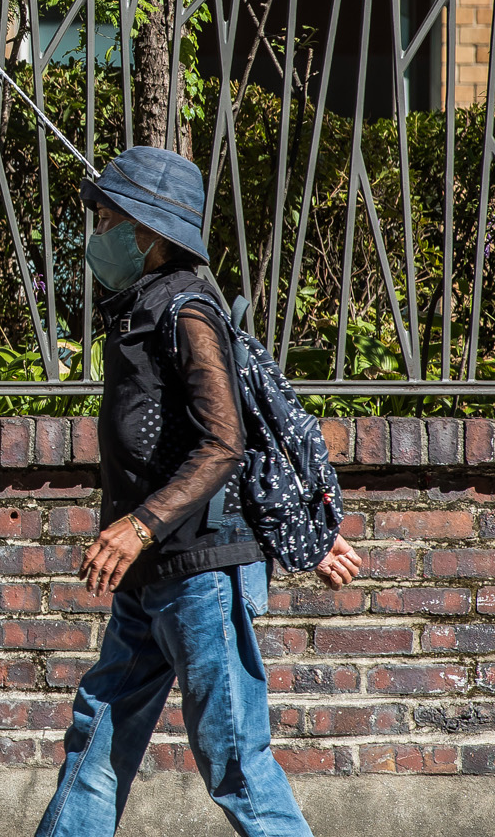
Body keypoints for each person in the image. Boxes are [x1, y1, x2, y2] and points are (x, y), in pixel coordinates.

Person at [35, 146, 364, 837]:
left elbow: (225, 443)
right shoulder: (137, 309)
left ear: (147, 232)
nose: (94, 234)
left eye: (105, 220)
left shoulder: (186, 311)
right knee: (97, 739)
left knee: (235, 762)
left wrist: (138, 526)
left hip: (201, 574)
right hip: (151, 576)